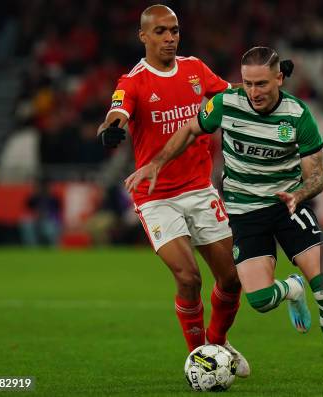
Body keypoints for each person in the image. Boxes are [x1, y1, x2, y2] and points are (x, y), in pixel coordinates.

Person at [125, 46, 323, 389]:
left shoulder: (298, 115)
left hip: (288, 208)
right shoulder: (226, 103)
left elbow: (318, 175)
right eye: (248, 83)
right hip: (245, 214)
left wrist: (299, 193)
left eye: (262, 84)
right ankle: (291, 289)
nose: (254, 92)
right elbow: (191, 129)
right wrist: (158, 162)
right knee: (260, 301)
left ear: (279, 78)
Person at [97, 4, 249, 377]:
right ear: (144, 36)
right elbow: (116, 113)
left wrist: (266, 84)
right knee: (188, 277)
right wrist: (113, 128)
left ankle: (217, 342)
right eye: (161, 31)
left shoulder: (195, 69)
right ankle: (200, 358)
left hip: (199, 188)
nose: (169, 38)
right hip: (156, 195)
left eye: (175, 31)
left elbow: (232, 94)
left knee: (231, 279)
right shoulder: (132, 81)